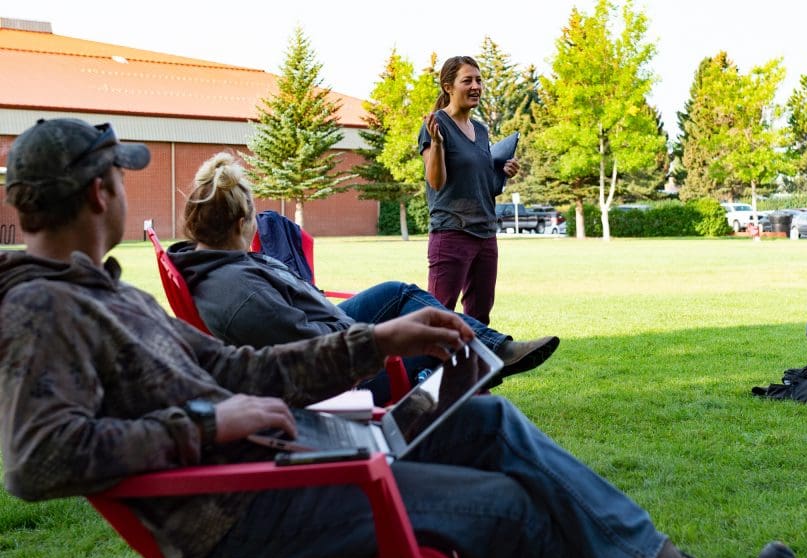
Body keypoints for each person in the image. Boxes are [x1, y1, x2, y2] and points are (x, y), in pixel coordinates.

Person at [0, 118, 698, 558]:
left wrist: (379, 342)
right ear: (100, 194)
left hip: (279, 464)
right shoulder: (43, 309)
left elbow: (240, 366)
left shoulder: (108, 295)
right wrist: (208, 421)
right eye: (121, 175)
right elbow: (37, 460)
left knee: (485, 420)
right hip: (245, 514)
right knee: (506, 508)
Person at [166, 152, 558, 402]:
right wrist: (377, 339)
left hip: (334, 331)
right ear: (241, 221)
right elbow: (311, 351)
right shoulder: (239, 293)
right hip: (340, 377)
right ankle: (488, 365)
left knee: (398, 293)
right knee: (444, 349)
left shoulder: (218, 262)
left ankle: (492, 351)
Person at [419, 55, 515, 325]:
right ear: (448, 86)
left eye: (479, 80)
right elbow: (436, 182)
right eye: (467, 80)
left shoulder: (481, 131)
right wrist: (437, 144)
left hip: (485, 233)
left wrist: (501, 173)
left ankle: (474, 367)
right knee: (439, 315)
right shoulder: (436, 124)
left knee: (480, 315)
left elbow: (486, 188)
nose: (476, 86)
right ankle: (428, 368)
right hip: (452, 232)